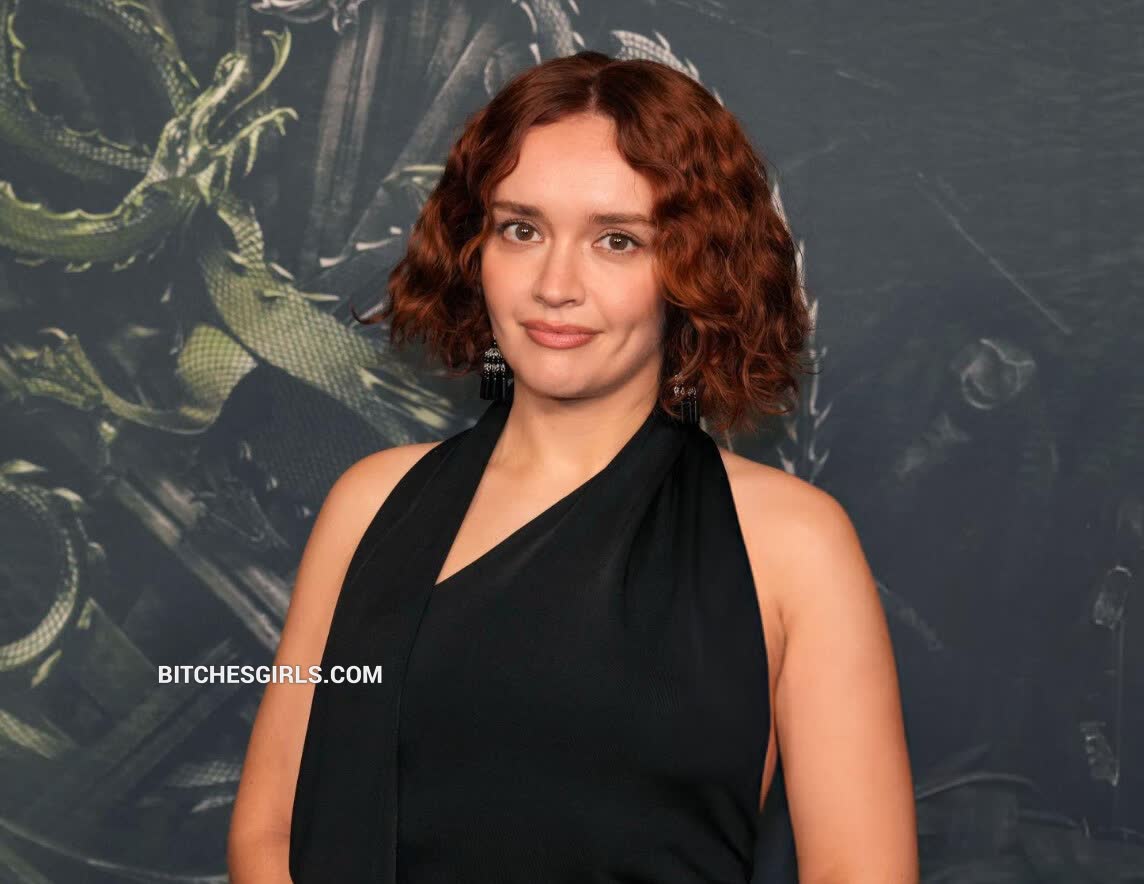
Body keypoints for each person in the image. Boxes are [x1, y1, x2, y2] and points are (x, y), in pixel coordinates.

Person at [228, 50, 918, 884]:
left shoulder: (793, 542)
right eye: (521, 229)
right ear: (473, 247)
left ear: (694, 270)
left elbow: (859, 871)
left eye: (617, 241)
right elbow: (268, 833)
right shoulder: (370, 504)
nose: (555, 285)